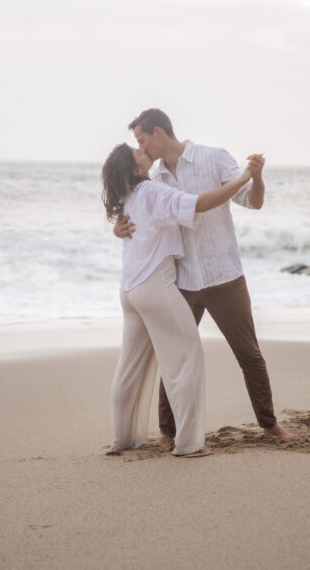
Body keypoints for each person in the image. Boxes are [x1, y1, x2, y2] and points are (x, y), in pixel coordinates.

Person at [115, 108, 294, 449]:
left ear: (157, 132)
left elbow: (253, 203)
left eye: (141, 140)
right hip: (182, 280)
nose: (140, 147)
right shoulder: (153, 181)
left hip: (224, 275)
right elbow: (134, 211)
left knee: (249, 354)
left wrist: (254, 177)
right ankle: (167, 432)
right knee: (175, 356)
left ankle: (269, 424)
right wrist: (116, 227)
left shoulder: (213, 158)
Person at [102, 142, 258, 458]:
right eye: (139, 152)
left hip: (129, 291)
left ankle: (124, 439)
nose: (145, 150)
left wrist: (116, 231)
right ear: (136, 169)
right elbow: (199, 204)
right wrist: (242, 180)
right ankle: (188, 444)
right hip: (155, 287)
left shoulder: (127, 196)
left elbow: (125, 226)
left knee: (129, 367)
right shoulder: (153, 191)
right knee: (186, 359)